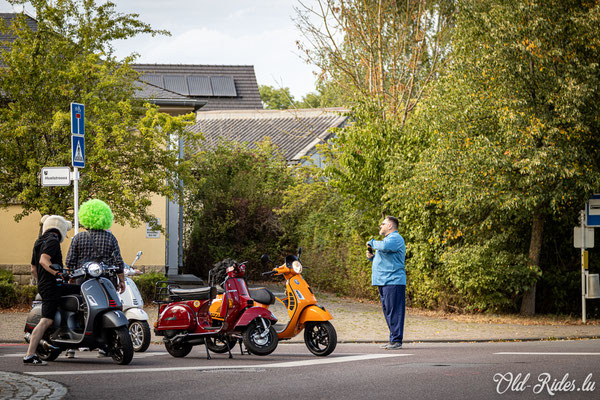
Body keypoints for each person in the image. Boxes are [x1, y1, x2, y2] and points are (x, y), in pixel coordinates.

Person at [65, 199, 125, 358]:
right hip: (105, 280)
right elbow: (118, 261)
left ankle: (72, 346)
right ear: (106, 217)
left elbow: (69, 261)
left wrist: (70, 278)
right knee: (107, 307)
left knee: (81, 309)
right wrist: (122, 280)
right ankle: (104, 346)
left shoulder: (78, 238)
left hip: (83, 281)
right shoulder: (110, 238)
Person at [24, 215, 78, 365]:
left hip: (47, 285)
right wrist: (57, 274)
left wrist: (42, 281)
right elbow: (43, 260)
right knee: (46, 320)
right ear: (60, 229)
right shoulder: (53, 241)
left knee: (78, 289)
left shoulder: (39, 241)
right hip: (52, 286)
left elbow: (34, 268)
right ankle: (30, 355)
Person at [366, 215, 406, 350]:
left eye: (383, 224)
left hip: (393, 281)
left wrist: (372, 242)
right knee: (389, 311)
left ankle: (396, 341)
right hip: (384, 281)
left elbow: (385, 246)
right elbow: (385, 258)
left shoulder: (395, 238)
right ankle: (393, 340)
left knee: (394, 311)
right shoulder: (387, 240)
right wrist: (372, 258)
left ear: (390, 226)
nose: (380, 226)